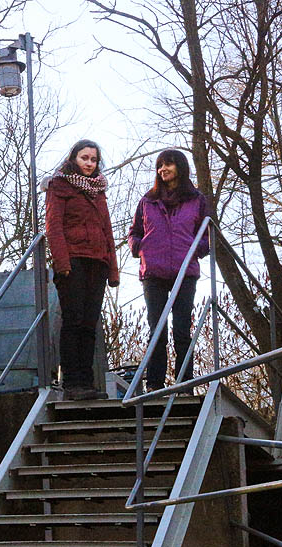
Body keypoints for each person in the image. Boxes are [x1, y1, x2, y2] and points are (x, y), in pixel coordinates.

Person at [128, 149, 210, 393]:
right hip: (153, 272)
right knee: (157, 329)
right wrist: (139, 248)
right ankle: (154, 384)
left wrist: (197, 250)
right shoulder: (148, 200)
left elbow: (207, 232)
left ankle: (184, 384)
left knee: (182, 329)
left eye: (168, 165)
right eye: (160, 166)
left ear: (180, 167)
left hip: (185, 272)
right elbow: (134, 232)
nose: (163, 170)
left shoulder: (197, 200)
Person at [45, 140, 120, 401]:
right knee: (73, 320)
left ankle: (87, 382)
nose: (89, 163)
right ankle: (73, 383)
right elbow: (53, 226)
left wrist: (113, 269)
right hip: (73, 261)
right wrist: (62, 263)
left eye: (93, 159)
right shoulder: (59, 186)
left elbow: (107, 231)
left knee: (89, 324)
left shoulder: (99, 192)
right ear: (73, 158)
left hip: (97, 262)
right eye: (84, 158)